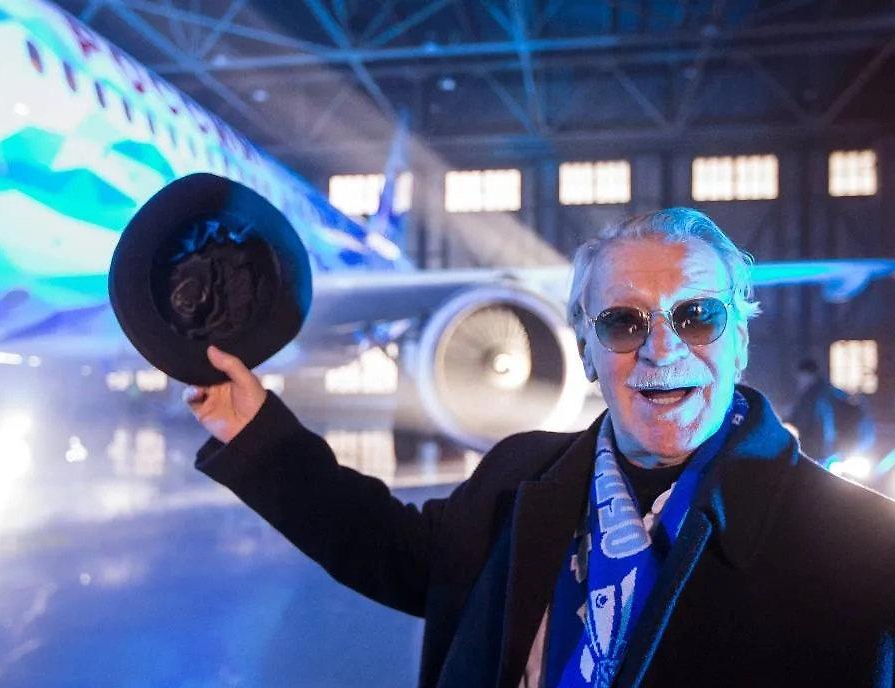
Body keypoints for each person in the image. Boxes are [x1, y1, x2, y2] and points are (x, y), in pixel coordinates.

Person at [184, 208, 895, 687]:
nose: (661, 348)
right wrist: (257, 433)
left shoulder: (863, 546)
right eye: (623, 323)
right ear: (585, 351)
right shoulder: (520, 476)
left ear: (741, 338)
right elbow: (392, 550)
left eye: (697, 316)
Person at [788, 357, 876, 465]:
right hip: (836, 450)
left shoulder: (813, 396)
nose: (800, 382)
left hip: (819, 450)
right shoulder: (829, 392)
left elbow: (809, 422)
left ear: (806, 374)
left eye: (801, 377)